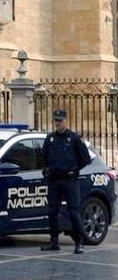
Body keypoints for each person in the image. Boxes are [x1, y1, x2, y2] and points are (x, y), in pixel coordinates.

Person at [41, 108, 91, 254]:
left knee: (74, 211)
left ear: (66, 121)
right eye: (56, 120)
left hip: (70, 180)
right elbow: (44, 157)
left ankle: (79, 242)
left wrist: (75, 169)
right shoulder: (50, 138)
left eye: (60, 121)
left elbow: (85, 159)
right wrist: (47, 169)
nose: (58, 123)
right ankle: (54, 241)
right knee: (52, 211)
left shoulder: (74, 138)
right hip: (55, 180)